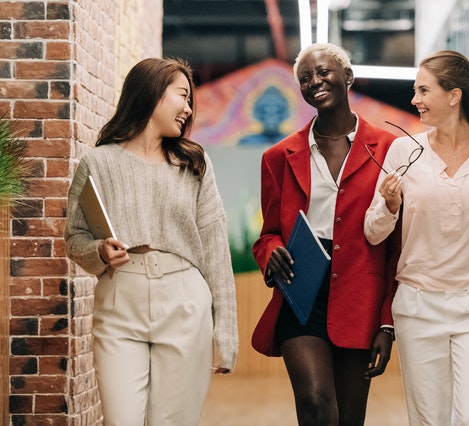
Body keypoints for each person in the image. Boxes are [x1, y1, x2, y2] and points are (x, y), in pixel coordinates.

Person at [364, 50, 469, 425]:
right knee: (429, 419)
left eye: (423, 90)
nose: (415, 100)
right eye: (415, 91)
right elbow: (373, 233)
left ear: (454, 95)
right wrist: (389, 205)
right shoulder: (403, 151)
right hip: (416, 307)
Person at [64, 58, 238, 425]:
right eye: (182, 96)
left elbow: (216, 250)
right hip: (118, 302)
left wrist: (226, 330)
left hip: (185, 300)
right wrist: (98, 250)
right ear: (153, 94)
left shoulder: (194, 164)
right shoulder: (97, 163)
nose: (189, 108)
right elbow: (74, 237)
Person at [251, 43, 401, 426]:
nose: (314, 81)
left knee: (349, 418)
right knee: (316, 405)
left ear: (348, 77)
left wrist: (387, 322)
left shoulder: (389, 150)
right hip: (301, 292)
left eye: (323, 72)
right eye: (305, 78)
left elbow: (398, 246)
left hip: (360, 296)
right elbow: (267, 234)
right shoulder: (278, 157)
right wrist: (271, 252)